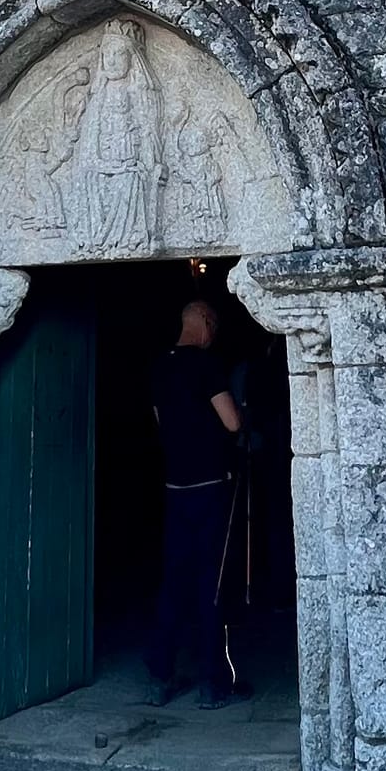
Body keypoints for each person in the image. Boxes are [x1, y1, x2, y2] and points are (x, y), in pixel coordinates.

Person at [146, 297, 252, 708]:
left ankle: (160, 676)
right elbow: (230, 421)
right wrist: (242, 414)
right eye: (215, 327)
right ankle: (214, 683)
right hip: (210, 487)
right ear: (205, 324)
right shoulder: (206, 366)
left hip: (176, 488)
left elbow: (161, 422)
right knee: (213, 581)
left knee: (174, 581)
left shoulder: (159, 367)